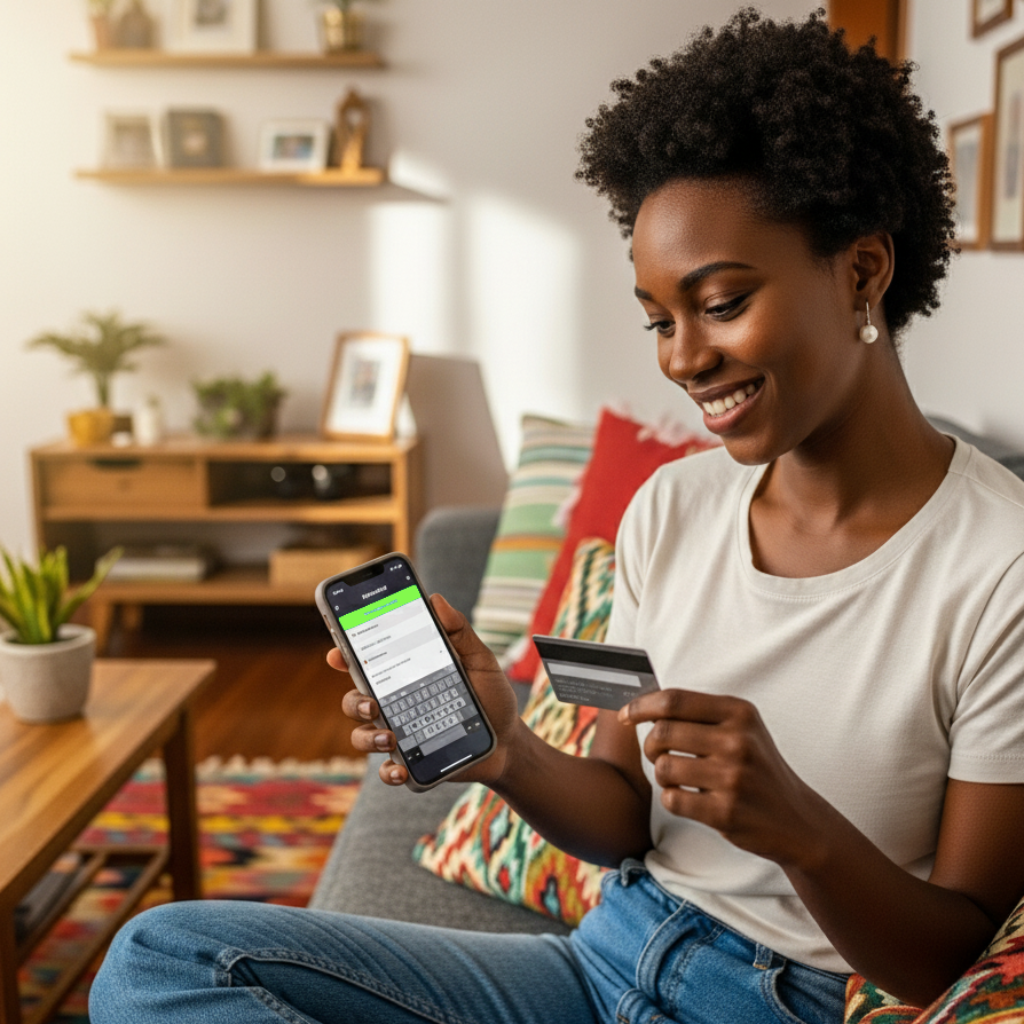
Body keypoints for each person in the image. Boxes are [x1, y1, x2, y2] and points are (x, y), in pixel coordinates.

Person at [90, 9, 1024, 1023]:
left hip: (784, 1001)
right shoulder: (674, 506)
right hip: (604, 957)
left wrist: (798, 828)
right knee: (160, 955)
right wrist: (505, 752)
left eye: (718, 302)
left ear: (862, 269)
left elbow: (949, 956)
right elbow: (626, 820)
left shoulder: (996, 563)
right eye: (659, 319)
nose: (680, 358)